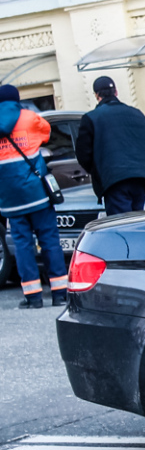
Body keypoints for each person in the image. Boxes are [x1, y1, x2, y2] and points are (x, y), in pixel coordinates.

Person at [0, 85, 69, 308]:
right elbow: (47, 134)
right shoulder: (30, 118)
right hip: (37, 194)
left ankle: (33, 297)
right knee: (49, 241)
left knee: (22, 246)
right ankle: (60, 294)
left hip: (10, 199)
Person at [76, 76, 145, 215]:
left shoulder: (91, 118)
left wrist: (100, 171)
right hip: (141, 180)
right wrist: (143, 164)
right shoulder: (136, 114)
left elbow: (83, 153)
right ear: (116, 92)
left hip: (114, 181)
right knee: (137, 223)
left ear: (96, 95)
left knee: (121, 226)